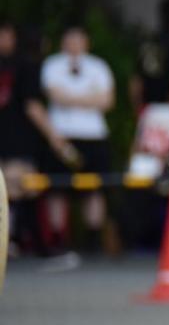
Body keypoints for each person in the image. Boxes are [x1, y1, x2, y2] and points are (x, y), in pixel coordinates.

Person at [1, 22, 80, 259]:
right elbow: (33, 106)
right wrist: (56, 138)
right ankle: (31, 244)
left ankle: (22, 241)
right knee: (22, 188)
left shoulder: (17, 65)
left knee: (17, 188)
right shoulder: (27, 65)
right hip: (17, 137)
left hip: (13, 135)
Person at [41, 26, 115, 257]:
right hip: (62, 134)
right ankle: (57, 237)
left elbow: (106, 101)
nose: (74, 43)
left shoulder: (98, 65)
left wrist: (71, 97)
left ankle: (93, 237)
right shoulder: (53, 64)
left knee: (95, 187)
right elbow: (55, 96)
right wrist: (89, 97)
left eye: (79, 39)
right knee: (58, 187)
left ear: (86, 42)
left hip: (94, 135)